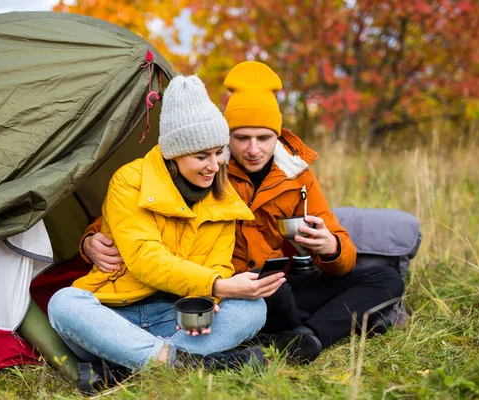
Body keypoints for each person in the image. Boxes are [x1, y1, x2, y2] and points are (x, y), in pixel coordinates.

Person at [79, 62, 405, 364]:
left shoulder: (296, 174)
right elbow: (145, 213)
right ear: (225, 136)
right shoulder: (208, 169)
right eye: (241, 138)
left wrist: (329, 247)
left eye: (264, 138)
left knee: (386, 278)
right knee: (266, 301)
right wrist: (92, 238)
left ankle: (307, 337)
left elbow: (342, 253)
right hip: (227, 287)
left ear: (278, 136)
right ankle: (338, 323)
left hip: (272, 281)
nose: (253, 149)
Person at [48, 75, 284, 393]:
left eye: (219, 153)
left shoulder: (224, 197)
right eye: (201, 156)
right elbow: (146, 259)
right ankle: (186, 363)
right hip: (115, 316)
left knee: (252, 308)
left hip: (179, 318)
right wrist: (219, 285)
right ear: (173, 154)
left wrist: (212, 295)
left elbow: (217, 265)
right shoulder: (130, 181)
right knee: (64, 304)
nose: (214, 166)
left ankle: (124, 368)